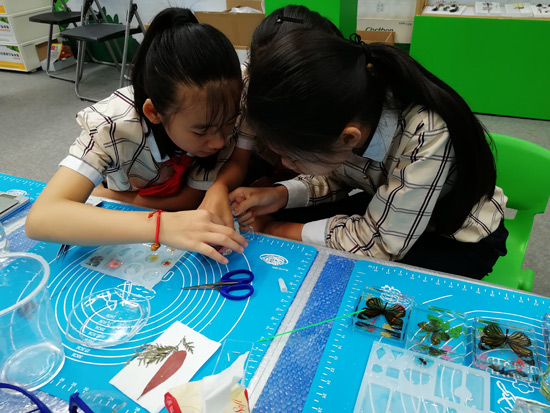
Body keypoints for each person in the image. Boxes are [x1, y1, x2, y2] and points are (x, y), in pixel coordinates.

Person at [229, 27, 509, 279]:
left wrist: (274, 230)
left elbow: (380, 245)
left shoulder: (427, 132)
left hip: (455, 237)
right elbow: (335, 174)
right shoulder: (348, 111)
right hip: (389, 207)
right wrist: (280, 195)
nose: (285, 163)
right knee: (302, 230)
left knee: (364, 281)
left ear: (349, 137)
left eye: (292, 157)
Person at [25, 8, 248, 264]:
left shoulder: (222, 108)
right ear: (154, 112)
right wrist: (160, 226)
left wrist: (112, 197)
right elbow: (41, 218)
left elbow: (192, 197)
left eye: (228, 123)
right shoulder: (111, 125)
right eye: (201, 131)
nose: (219, 141)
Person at [198, 5, 342, 229]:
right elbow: (241, 159)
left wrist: (271, 225)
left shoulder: (330, 110)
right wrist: (221, 187)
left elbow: (335, 179)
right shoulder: (250, 88)